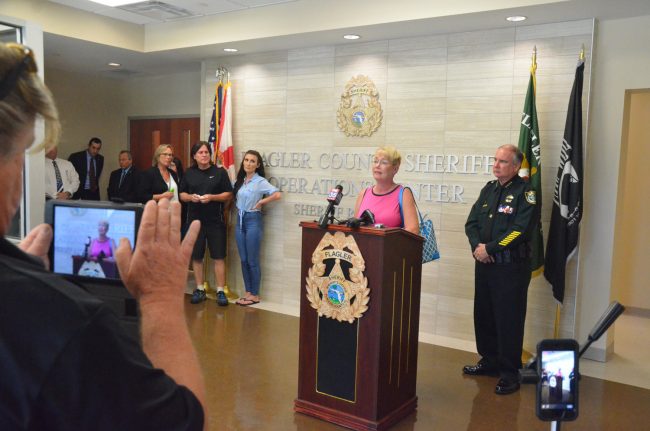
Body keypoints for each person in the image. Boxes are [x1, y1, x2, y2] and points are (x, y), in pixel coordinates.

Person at [0, 42, 206, 429]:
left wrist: (22, 274)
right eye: (19, 154)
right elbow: (182, 419)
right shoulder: (65, 321)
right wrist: (161, 299)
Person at [463, 144, 540, 395]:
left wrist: (491, 249)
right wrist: (478, 248)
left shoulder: (526, 193)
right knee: (483, 314)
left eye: (503, 162)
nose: (496, 165)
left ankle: (509, 372)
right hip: (484, 264)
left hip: (510, 268)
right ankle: (490, 361)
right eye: (495, 160)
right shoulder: (489, 190)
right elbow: (471, 222)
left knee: (508, 319)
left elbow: (520, 230)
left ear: (516, 166)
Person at [180, 141, 233, 306]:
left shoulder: (219, 172)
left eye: (206, 152)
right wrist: (191, 197)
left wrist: (212, 197)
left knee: (218, 256)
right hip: (194, 222)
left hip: (215, 221)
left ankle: (220, 291)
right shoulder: (189, 173)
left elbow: (228, 194)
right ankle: (200, 288)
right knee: (197, 257)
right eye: (201, 152)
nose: (204, 155)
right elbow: (182, 194)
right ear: (194, 156)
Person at [232, 150, 281, 306]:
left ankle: (255, 294)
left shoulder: (260, 181)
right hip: (239, 220)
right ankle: (248, 292)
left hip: (253, 220)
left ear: (257, 165)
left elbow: (277, 194)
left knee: (252, 260)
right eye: (246, 160)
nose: (248, 163)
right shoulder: (240, 180)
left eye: (252, 161)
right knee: (244, 259)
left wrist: (261, 203)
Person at [353, 146, 419, 234]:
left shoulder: (403, 194)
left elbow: (413, 231)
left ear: (395, 169)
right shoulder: (364, 193)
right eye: (375, 161)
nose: (377, 165)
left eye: (383, 162)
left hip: (391, 247)